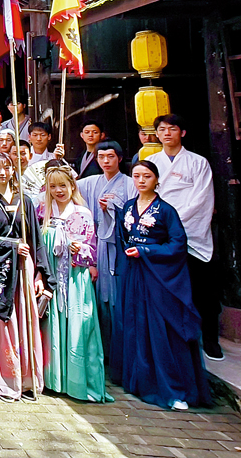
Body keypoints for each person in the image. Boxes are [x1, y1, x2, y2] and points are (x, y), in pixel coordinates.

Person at [110, 161, 211, 410]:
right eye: (136, 176)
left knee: (161, 328)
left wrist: (146, 250)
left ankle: (173, 389)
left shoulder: (166, 211)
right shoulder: (128, 207)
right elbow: (122, 237)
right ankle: (139, 381)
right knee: (135, 323)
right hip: (133, 274)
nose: (141, 180)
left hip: (158, 276)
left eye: (147, 176)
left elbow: (178, 244)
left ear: (157, 179)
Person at [0, 153, 53, 401]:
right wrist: (10, 246)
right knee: (4, 321)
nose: (2, 171)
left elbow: (36, 239)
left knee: (25, 318)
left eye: (7, 167)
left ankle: (27, 379)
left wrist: (42, 273)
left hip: (24, 265)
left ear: (14, 170)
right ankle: (4, 378)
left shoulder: (26, 201)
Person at [149, 114, 221, 361]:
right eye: (162, 129)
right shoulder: (152, 161)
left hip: (191, 231)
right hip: (160, 231)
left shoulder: (197, 162)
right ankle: (173, 342)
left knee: (202, 292)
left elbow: (202, 200)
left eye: (172, 128)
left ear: (183, 132)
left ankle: (210, 340)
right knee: (166, 291)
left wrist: (174, 224)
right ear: (156, 134)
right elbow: (146, 193)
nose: (167, 133)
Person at [39, 165, 110, 402]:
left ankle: (78, 382)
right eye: (53, 186)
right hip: (50, 277)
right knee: (51, 326)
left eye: (63, 185)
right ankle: (52, 380)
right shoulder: (43, 213)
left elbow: (92, 249)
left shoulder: (82, 213)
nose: (58, 191)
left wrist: (79, 251)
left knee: (79, 325)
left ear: (72, 186)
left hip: (75, 278)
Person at [77, 140, 135, 358]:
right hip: (97, 244)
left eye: (110, 156)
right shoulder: (90, 182)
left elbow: (134, 215)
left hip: (121, 245)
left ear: (119, 158)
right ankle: (103, 350)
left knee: (120, 296)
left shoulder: (130, 183)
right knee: (100, 295)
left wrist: (114, 208)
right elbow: (66, 185)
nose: (106, 161)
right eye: (101, 157)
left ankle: (122, 351)